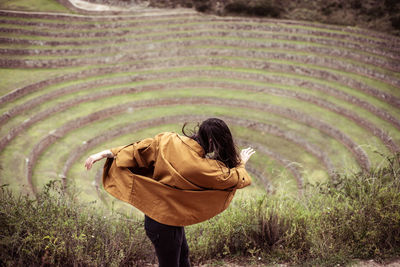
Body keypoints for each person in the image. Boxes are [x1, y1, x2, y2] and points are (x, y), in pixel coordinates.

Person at [85, 118, 255, 267]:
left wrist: (104, 153)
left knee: (183, 256)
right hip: (164, 222)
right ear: (211, 141)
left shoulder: (168, 140)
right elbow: (233, 179)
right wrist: (241, 163)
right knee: (172, 263)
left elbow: (138, 149)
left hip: (163, 215)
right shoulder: (201, 167)